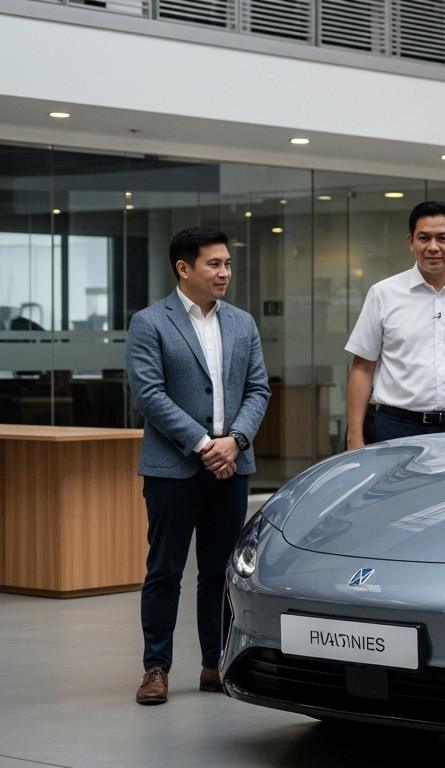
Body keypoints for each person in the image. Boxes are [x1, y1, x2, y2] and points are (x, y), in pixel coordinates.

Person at [126, 226, 270, 705]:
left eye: (228, 264)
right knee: (164, 571)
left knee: (221, 572)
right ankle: (156, 669)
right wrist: (205, 444)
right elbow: (149, 395)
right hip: (174, 469)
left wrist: (237, 441)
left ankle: (217, 664)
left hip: (233, 467)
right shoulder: (150, 322)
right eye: (214, 264)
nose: (225, 272)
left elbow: (258, 389)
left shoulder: (243, 323)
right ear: (183, 268)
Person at [344, 201, 445, 448]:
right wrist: (354, 436)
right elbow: (362, 369)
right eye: (424, 238)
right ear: (411, 241)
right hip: (395, 427)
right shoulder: (383, 294)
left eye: (442, 238)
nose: (433, 247)